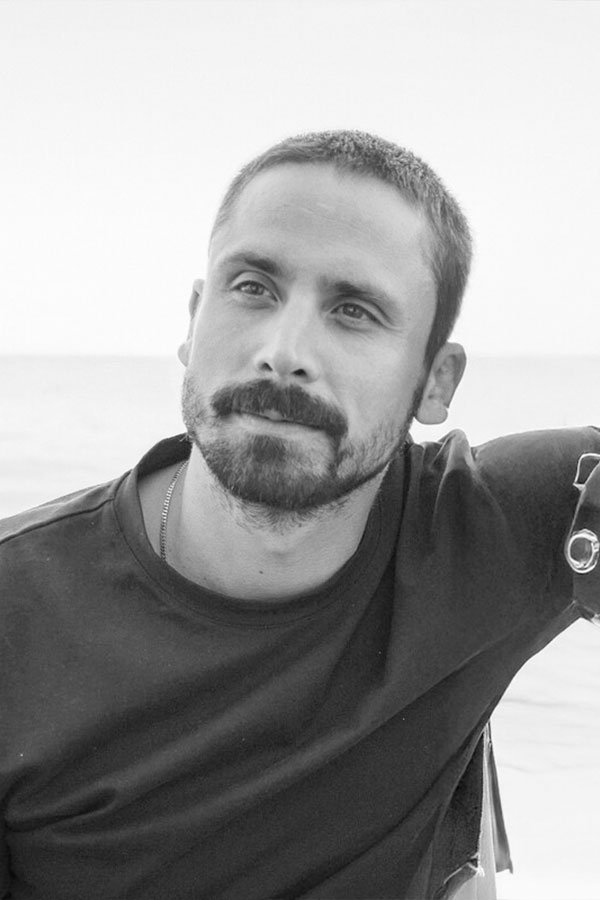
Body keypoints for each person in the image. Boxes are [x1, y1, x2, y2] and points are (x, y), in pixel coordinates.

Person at [1, 130, 599, 900]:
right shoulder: (18, 612)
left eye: (354, 311)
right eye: (253, 287)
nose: (284, 351)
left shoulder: (496, 530)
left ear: (434, 381)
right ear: (193, 322)